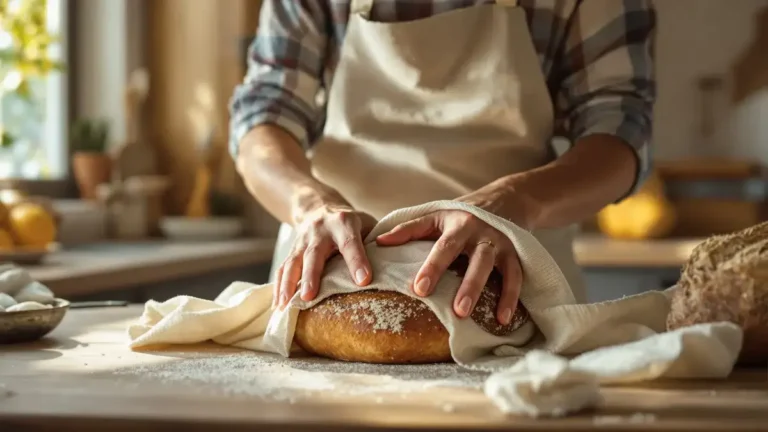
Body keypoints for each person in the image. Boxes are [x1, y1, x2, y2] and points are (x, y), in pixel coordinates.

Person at [230, 0, 656, 326]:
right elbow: (264, 117)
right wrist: (310, 205)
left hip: (511, 282)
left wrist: (510, 203)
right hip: (328, 276)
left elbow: (618, 135)